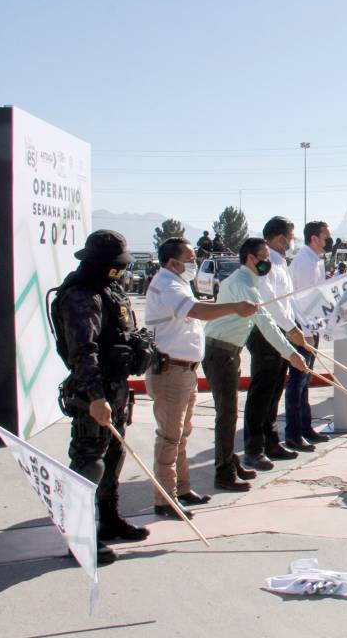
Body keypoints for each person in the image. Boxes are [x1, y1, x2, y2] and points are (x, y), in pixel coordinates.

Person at [51, 230, 156, 564]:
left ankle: (108, 520)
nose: (119, 271)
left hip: (115, 386)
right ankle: (80, 537)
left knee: (113, 457)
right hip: (92, 389)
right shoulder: (82, 295)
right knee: (88, 463)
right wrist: (96, 397)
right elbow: (84, 352)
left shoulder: (108, 290)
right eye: (113, 265)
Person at [145, 238, 258, 519]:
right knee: (170, 437)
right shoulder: (167, 285)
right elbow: (196, 311)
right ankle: (165, 499)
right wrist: (234, 307)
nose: (194, 263)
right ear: (173, 262)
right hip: (170, 370)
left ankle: (182, 489)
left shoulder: (178, 283)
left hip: (184, 370)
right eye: (190, 258)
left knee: (181, 435)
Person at [203, 238, 309, 491]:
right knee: (226, 415)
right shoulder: (243, 284)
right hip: (220, 352)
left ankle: (229, 461)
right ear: (251, 258)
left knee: (229, 413)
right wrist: (291, 353)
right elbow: (264, 321)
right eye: (264, 256)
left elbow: (266, 318)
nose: (268, 262)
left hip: (229, 350)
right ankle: (223, 473)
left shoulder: (250, 282)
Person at [243, 217, 315, 470]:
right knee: (262, 392)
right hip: (265, 332)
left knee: (275, 389)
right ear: (280, 237)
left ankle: (271, 441)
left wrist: (297, 326)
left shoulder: (281, 263)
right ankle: (253, 448)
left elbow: (287, 301)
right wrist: (291, 329)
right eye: (291, 236)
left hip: (281, 331)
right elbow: (270, 301)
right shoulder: (267, 263)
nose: (292, 241)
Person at [288, 221, 334, 445]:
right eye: (327, 237)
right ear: (314, 238)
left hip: (311, 327)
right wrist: (306, 332)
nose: (330, 241)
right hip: (302, 328)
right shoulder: (305, 262)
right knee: (297, 382)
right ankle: (294, 434)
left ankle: (306, 428)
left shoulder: (316, 261)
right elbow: (303, 300)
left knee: (305, 382)